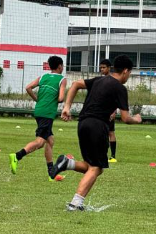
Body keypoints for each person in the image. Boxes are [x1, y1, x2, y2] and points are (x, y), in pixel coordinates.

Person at [50, 54, 142, 211]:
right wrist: (137, 119)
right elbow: (126, 118)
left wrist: (67, 107)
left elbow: (75, 84)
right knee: (96, 168)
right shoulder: (120, 88)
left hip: (83, 123)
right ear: (126, 71)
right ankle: (75, 204)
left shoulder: (99, 80)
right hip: (98, 126)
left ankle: (67, 163)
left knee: (91, 165)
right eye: (130, 73)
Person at [8, 56, 66, 179]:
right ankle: (17, 156)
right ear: (60, 66)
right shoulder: (62, 79)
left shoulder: (43, 77)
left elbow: (28, 87)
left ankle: (51, 172)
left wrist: (37, 100)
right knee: (40, 142)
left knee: (50, 141)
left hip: (39, 110)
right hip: (47, 113)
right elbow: (61, 98)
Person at [100, 59, 118, 163]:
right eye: (101, 67)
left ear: (109, 68)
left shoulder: (113, 81)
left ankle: (113, 156)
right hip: (100, 111)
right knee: (101, 133)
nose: (102, 69)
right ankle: (103, 155)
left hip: (109, 111)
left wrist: (114, 111)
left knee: (111, 132)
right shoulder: (99, 80)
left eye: (104, 67)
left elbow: (116, 98)